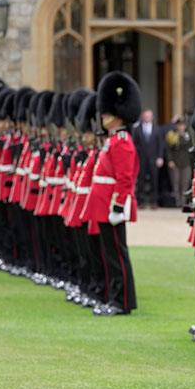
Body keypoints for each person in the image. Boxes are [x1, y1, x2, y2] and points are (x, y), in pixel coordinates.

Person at [80, 71, 141, 316]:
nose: (103, 115)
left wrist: (117, 206)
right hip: (103, 204)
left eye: (106, 112)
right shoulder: (113, 140)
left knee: (117, 254)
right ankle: (115, 298)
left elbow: (125, 179)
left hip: (111, 206)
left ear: (118, 115)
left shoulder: (122, 141)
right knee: (110, 254)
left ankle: (122, 300)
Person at [132, 109, 164, 208]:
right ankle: (140, 201)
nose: (147, 118)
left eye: (149, 116)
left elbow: (160, 145)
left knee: (154, 180)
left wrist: (160, 157)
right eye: (145, 116)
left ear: (152, 117)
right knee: (140, 180)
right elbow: (134, 144)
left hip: (153, 158)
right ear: (142, 117)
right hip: (141, 158)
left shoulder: (157, 129)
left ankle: (153, 201)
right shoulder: (137, 129)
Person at [166, 116, 192, 206]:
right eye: (179, 125)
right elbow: (168, 149)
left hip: (186, 162)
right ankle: (177, 202)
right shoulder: (172, 135)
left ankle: (183, 202)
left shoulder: (188, 135)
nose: (181, 127)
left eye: (183, 125)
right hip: (176, 161)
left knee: (185, 183)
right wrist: (170, 160)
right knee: (176, 183)